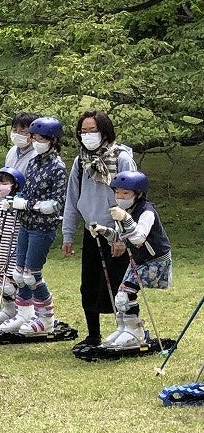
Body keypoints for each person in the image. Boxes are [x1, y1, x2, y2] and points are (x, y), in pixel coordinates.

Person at [61, 109, 136, 349]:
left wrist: (122, 237)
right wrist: (68, 234)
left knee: (119, 286)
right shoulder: (80, 161)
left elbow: (131, 201)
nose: (88, 135)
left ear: (104, 131)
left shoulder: (122, 158)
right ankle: (93, 334)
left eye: (92, 130)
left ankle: (127, 331)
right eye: (83, 131)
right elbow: (72, 198)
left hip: (115, 232)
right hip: (92, 230)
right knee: (89, 285)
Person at [0, 117, 68, 334]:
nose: (36, 141)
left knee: (32, 274)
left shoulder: (57, 166)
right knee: (19, 273)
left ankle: (46, 319)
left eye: (40, 138)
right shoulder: (34, 161)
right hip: (26, 223)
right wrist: (13, 201)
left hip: (43, 227)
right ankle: (24, 314)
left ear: (52, 140)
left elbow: (57, 203)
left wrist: (29, 204)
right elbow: (26, 191)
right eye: (34, 137)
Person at [90, 172, 172, 348]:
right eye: (117, 192)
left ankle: (136, 333)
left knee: (124, 295)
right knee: (121, 296)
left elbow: (138, 237)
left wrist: (126, 219)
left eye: (125, 193)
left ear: (138, 194)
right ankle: (124, 328)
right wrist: (103, 230)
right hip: (138, 258)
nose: (120, 197)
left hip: (156, 260)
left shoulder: (147, 212)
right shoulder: (124, 212)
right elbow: (120, 238)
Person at [0, 167, 26, 328]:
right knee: (2, 282)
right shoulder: (1, 203)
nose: (0, 186)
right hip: (3, 247)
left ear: (15, 184)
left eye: (4, 183)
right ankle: (8, 309)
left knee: (13, 281)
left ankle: (20, 312)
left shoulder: (19, 203)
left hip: (16, 248)